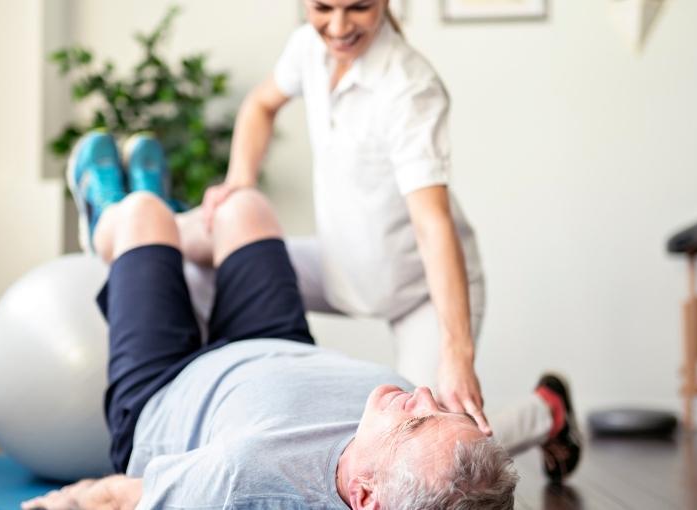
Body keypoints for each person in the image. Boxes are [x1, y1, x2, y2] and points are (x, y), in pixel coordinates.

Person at [27, 133, 581, 509]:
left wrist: (55, 502)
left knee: (142, 213)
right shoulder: (416, 461)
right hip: (275, 343)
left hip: (167, 390)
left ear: (364, 496)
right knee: (246, 207)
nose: (425, 395)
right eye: (441, 410)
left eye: (417, 420)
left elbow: (118, 496)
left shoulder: (247, 479)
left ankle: (109, 213)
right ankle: (166, 227)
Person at [193, 0, 491, 433]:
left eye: (358, 7)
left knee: (428, 439)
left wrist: (458, 354)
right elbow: (260, 104)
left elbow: (432, 225)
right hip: (340, 263)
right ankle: (133, 223)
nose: (337, 26)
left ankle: (545, 413)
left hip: (423, 290)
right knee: (219, 248)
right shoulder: (307, 49)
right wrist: (239, 180)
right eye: (322, 7)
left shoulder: (410, 87)